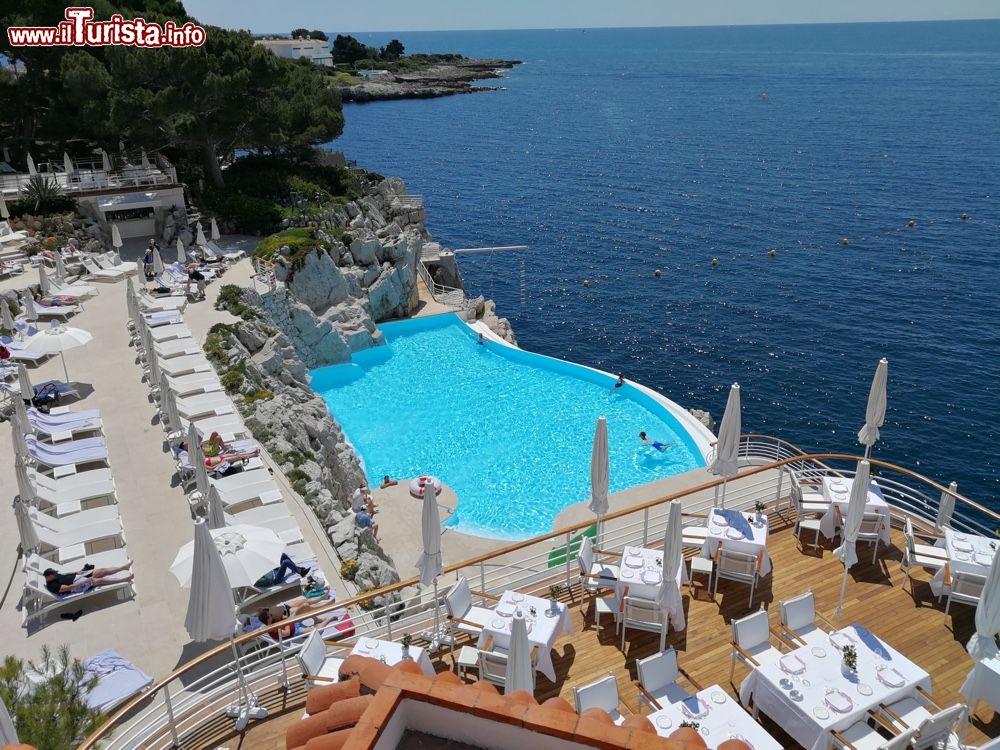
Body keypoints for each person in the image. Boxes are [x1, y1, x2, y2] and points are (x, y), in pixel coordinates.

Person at [256, 597, 342, 641]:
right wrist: (286, 621)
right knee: (317, 631)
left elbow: (284, 617)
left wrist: (284, 618)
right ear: (268, 619)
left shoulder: (272, 619)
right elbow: (287, 633)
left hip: (292, 621)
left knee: (305, 606)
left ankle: (317, 619)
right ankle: (329, 619)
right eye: (270, 615)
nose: (271, 614)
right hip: (296, 630)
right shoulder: (272, 630)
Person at [43, 560, 134, 596]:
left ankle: (123, 568)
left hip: (78, 577)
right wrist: (84, 581)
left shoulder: (54, 576)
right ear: (49, 577)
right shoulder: (53, 586)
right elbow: (69, 587)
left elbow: (65, 575)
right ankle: (125, 580)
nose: (56, 574)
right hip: (77, 586)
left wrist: (77, 572)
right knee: (99, 581)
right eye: (54, 574)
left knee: (101, 570)